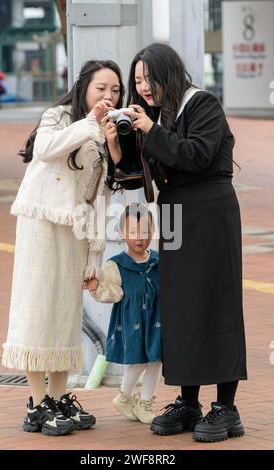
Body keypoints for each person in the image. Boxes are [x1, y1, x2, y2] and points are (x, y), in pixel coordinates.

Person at [105, 43, 247, 443]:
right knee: (179, 305)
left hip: (210, 208)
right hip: (173, 213)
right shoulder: (151, 117)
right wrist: (116, 142)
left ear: (168, 73)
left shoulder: (202, 104)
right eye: (136, 81)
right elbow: (133, 176)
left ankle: (227, 407)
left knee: (214, 301)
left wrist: (152, 130)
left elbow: (197, 155)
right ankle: (189, 400)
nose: (143, 87)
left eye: (148, 78)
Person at [2, 59, 125, 436]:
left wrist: (94, 254)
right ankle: (37, 405)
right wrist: (89, 123)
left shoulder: (107, 133)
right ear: (84, 87)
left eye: (115, 90)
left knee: (66, 314)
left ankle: (58, 398)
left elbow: (101, 195)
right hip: (41, 222)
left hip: (76, 230)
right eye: (101, 88)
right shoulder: (59, 116)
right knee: (37, 309)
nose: (108, 96)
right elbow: (45, 149)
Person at [85, 203, 162, 425]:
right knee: (138, 360)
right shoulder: (116, 264)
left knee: (156, 360)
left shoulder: (158, 260)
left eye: (146, 231)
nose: (140, 237)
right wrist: (96, 289)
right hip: (132, 321)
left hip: (156, 320)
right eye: (133, 232)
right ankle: (124, 396)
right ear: (121, 234)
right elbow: (110, 292)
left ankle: (145, 403)